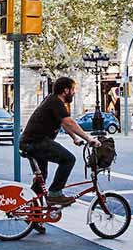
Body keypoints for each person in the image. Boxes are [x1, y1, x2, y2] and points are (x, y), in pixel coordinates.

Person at [20, 77, 101, 208]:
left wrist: (74, 138)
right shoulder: (56, 101)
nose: (74, 92)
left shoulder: (52, 100)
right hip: (36, 142)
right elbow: (68, 121)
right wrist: (88, 138)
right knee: (68, 159)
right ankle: (55, 194)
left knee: (41, 180)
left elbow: (62, 122)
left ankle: (33, 215)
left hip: (30, 143)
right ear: (65, 90)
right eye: (73, 89)